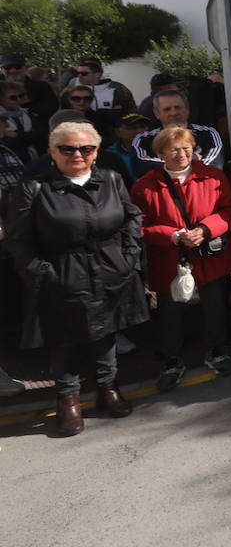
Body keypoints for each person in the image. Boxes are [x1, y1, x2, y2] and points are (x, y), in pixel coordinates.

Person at [5, 120, 147, 435]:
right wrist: (42, 272)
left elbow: (132, 217)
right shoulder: (34, 187)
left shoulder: (110, 179)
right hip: (61, 271)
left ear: (96, 151)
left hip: (110, 267)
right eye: (67, 148)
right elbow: (18, 239)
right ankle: (67, 397)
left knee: (106, 332)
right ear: (52, 152)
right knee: (63, 338)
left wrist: (128, 256)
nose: (77, 154)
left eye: (86, 148)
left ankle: (107, 387)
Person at [130, 126, 231, 392]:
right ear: (160, 153)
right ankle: (171, 359)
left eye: (186, 148)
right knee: (170, 312)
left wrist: (205, 229)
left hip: (209, 256)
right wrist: (173, 235)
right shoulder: (144, 186)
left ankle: (216, 350)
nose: (181, 154)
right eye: (173, 149)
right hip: (170, 258)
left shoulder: (213, 177)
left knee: (215, 305)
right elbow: (139, 226)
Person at [131, 87, 225, 176]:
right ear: (157, 113)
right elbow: (140, 167)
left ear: (187, 109)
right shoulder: (143, 139)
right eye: (167, 109)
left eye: (178, 107)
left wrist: (160, 162)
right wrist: (193, 159)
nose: (173, 113)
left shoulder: (208, 134)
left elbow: (215, 166)